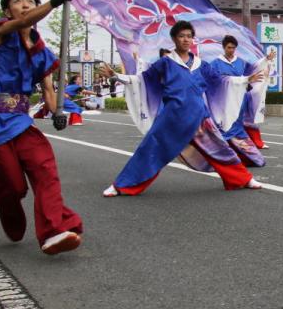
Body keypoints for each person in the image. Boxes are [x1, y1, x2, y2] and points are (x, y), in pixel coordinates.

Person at [0, 0, 83, 256]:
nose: (25, 4)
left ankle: (55, 231)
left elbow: (49, 89)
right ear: (7, 10)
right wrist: (53, 1)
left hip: (21, 121)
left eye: (30, 0)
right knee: (13, 187)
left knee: (45, 170)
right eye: (18, 1)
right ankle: (5, 201)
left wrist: (57, 112)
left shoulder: (40, 50)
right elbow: (25, 21)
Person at [101, 20, 266, 196]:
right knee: (150, 149)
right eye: (181, 36)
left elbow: (221, 81)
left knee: (220, 149)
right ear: (174, 39)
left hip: (199, 117)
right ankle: (123, 185)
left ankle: (243, 179)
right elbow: (142, 80)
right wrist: (117, 76)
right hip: (172, 118)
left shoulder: (201, 65)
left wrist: (246, 79)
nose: (186, 39)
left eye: (189, 36)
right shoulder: (165, 63)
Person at [209, 34, 269, 166]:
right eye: (229, 47)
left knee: (237, 126)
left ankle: (248, 157)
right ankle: (220, 157)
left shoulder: (240, 62)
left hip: (239, 100)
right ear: (224, 47)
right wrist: (236, 81)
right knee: (224, 127)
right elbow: (215, 81)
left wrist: (265, 61)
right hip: (224, 102)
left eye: (233, 48)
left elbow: (252, 71)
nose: (231, 50)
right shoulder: (215, 64)